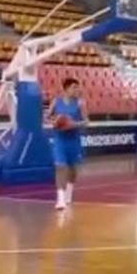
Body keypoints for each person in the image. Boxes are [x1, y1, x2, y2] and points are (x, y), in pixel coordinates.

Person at [47, 78, 89, 210]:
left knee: (73, 169)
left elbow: (86, 121)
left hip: (74, 140)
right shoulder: (56, 102)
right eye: (74, 87)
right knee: (60, 167)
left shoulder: (81, 103)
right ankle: (60, 199)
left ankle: (69, 193)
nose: (77, 90)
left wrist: (73, 124)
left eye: (78, 87)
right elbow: (47, 117)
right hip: (60, 140)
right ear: (66, 89)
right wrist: (55, 122)